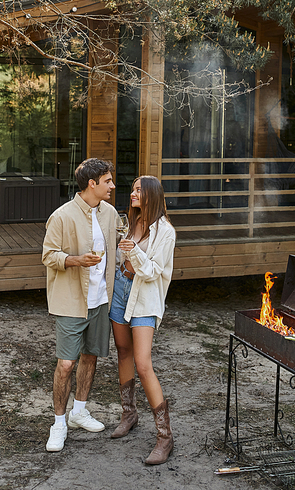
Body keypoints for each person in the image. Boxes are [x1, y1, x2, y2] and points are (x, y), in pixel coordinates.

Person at [41, 157, 117, 453]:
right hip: (71, 302)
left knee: (91, 356)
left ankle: (79, 412)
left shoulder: (110, 214)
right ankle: (58, 424)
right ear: (92, 183)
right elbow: (48, 256)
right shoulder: (61, 216)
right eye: (107, 181)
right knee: (66, 364)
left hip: (101, 300)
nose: (112, 185)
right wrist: (76, 260)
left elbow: (116, 248)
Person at [109, 175, 176, 465]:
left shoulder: (166, 232)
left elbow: (152, 271)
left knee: (143, 363)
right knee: (123, 353)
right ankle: (129, 414)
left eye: (138, 190)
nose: (133, 193)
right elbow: (118, 258)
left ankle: (164, 437)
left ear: (151, 195)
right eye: (133, 189)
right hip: (120, 291)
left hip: (145, 298)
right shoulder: (130, 222)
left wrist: (132, 251)